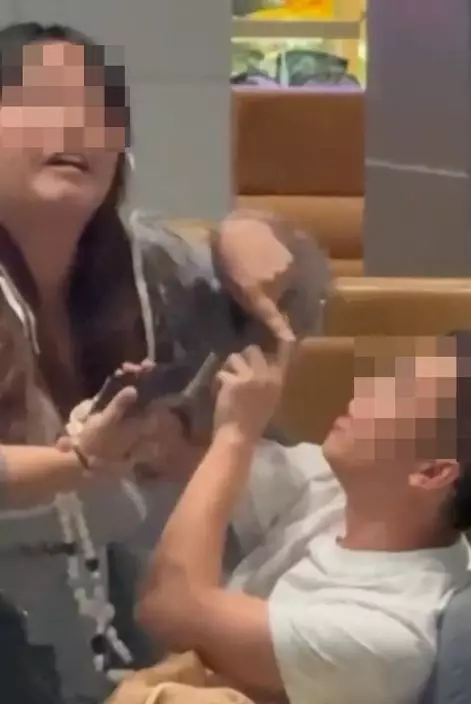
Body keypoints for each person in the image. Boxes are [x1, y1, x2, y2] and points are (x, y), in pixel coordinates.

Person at [0, 20, 329, 704]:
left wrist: (255, 235)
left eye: (100, 111)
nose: (78, 127)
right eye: (43, 101)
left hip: (156, 652)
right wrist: (73, 464)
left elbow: (300, 303)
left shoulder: (154, 265)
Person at [137, 333, 471, 704]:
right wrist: (151, 425)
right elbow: (191, 464)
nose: (366, 389)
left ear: (431, 472)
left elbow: (168, 607)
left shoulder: (387, 634)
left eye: (399, 393)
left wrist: (235, 433)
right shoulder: (347, 489)